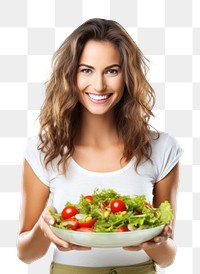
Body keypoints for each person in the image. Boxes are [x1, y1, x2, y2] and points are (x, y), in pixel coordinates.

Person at [17, 18, 183, 274]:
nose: (99, 85)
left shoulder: (162, 148)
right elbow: (25, 254)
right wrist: (43, 228)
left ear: (127, 76)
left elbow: (167, 257)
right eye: (86, 70)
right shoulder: (43, 150)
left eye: (112, 71)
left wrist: (153, 239)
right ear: (70, 75)